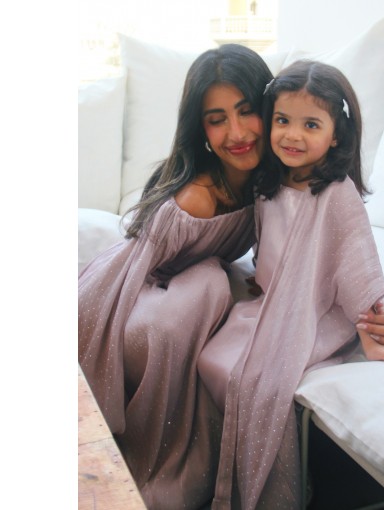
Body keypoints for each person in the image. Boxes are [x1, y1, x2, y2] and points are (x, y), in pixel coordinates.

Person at [198, 60, 384, 509]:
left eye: (311, 125)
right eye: (283, 120)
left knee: (259, 381)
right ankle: (220, 467)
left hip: (317, 307)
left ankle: (271, 485)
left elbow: (357, 266)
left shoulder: (336, 193)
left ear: (335, 134)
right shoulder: (269, 183)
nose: (293, 135)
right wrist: (263, 278)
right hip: (271, 300)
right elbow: (268, 243)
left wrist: (372, 334)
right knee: (213, 359)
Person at [78, 44, 273, 510]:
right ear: (201, 130)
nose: (237, 133)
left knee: (212, 281)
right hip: (129, 297)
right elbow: (133, 273)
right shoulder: (197, 199)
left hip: (173, 285)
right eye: (217, 119)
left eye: (246, 111)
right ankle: (151, 465)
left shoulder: (266, 180)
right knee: (208, 284)